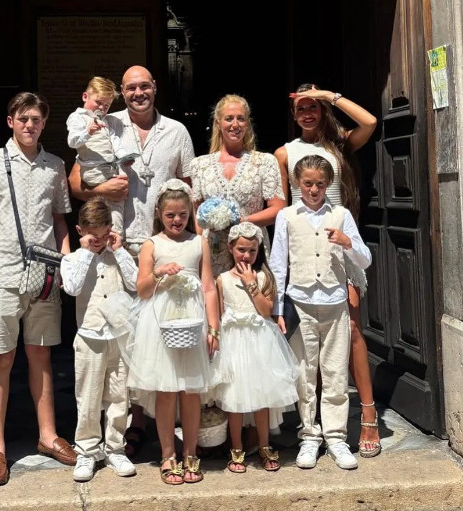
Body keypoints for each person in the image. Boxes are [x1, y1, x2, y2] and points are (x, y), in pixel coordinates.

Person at [68, 65, 195, 458]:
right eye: (131, 88)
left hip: (162, 244)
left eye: (145, 86)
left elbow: (190, 186)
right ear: (122, 93)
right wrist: (102, 187)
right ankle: (129, 426)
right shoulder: (105, 122)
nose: (139, 93)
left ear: (155, 88)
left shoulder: (177, 131)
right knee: (127, 340)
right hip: (117, 243)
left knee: (162, 334)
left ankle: (163, 421)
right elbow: (75, 182)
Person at [0, 92, 75, 486]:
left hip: (44, 276)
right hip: (2, 274)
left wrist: (66, 263)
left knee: (41, 354)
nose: (30, 125)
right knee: (0, 357)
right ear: (11, 121)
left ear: (44, 124)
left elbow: (59, 221)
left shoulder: (54, 165)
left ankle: (48, 435)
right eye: (23, 118)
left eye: (36, 119)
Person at [273, 83, 381, 458]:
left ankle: (365, 415)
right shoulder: (285, 153)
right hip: (305, 246)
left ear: (321, 111)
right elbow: (282, 204)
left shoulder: (338, 145)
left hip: (340, 242)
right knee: (307, 350)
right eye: (301, 107)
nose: (307, 113)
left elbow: (370, 122)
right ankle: (312, 429)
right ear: (293, 114)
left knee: (351, 331)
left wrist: (328, 96)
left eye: (313, 107)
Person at [126, 179, 220, 485]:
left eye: (182, 214)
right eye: (170, 215)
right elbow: (142, 290)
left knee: (190, 391)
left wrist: (213, 326)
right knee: (166, 390)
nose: (176, 220)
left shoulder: (198, 242)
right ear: (159, 214)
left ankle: (190, 452)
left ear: (189, 213)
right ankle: (168, 454)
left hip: (192, 320)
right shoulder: (152, 245)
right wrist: (158, 273)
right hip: (161, 322)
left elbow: (208, 287)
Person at [60, 198, 138, 482]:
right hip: (89, 336)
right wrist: (85, 252)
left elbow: (135, 282)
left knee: (119, 395)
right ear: (81, 231)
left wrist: (120, 251)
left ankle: (116, 447)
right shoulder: (72, 259)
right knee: (88, 396)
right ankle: (87, 450)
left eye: (105, 235)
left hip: (118, 335)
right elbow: (72, 288)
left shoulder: (118, 255)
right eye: (94, 236)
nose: (100, 242)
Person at [214, 222, 299, 474]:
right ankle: (236, 447)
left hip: (260, 343)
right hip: (234, 344)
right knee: (234, 397)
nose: (246, 255)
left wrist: (251, 284)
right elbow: (220, 314)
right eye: (241, 250)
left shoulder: (263, 277)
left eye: (252, 250)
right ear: (231, 248)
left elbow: (265, 311)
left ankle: (264, 445)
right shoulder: (222, 280)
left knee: (263, 397)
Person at [190, 94, 286, 278]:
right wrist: (198, 250)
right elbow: (197, 214)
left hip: (250, 251)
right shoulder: (200, 165)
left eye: (241, 119)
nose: (235, 124)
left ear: (247, 123)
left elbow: (278, 210)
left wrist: (240, 221)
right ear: (218, 123)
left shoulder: (264, 162)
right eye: (229, 119)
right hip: (213, 252)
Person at [66, 76, 136, 236]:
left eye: (106, 105)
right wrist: (88, 132)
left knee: (118, 197)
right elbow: (72, 142)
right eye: (98, 102)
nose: (102, 108)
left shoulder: (105, 121)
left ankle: (115, 235)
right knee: (103, 206)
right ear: (85, 96)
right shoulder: (77, 117)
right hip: (93, 171)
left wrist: (124, 157)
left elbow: (114, 142)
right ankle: (102, 235)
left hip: (109, 169)